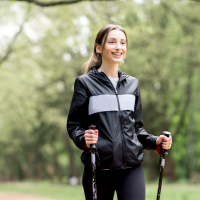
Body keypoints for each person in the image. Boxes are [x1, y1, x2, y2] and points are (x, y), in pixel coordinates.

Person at [67, 24, 172, 200]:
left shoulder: (132, 84)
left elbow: (137, 129)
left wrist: (156, 141)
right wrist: (83, 138)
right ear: (99, 48)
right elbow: (74, 125)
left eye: (123, 43)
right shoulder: (85, 84)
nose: (118, 47)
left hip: (132, 170)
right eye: (112, 42)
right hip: (98, 169)